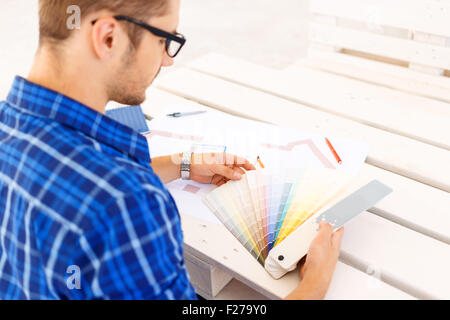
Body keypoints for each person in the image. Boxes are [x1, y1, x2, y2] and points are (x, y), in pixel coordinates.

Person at [0, 0, 343, 299]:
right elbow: (109, 199)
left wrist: (182, 165)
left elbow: (71, 177)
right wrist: (313, 286)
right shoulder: (129, 204)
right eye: (165, 40)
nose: (168, 60)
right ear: (109, 37)